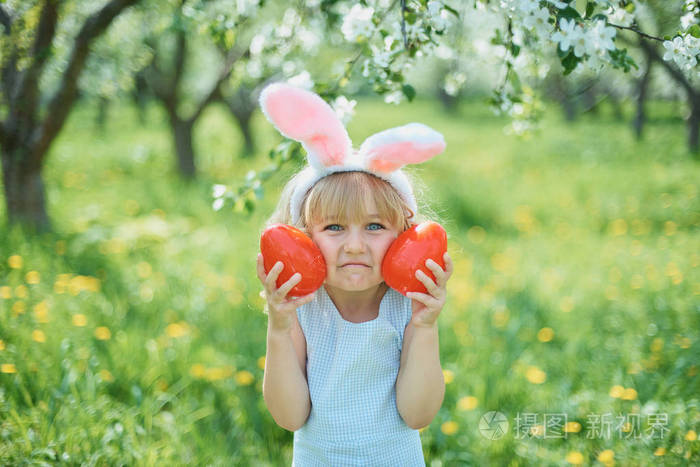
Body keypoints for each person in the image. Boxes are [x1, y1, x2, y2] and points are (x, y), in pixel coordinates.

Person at [255, 83, 453, 466]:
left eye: (375, 227)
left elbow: (419, 414)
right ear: (303, 238)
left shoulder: (406, 306)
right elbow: (289, 416)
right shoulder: (301, 309)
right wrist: (279, 328)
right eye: (334, 228)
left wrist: (426, 327)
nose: (355, 246)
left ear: (404, 236)